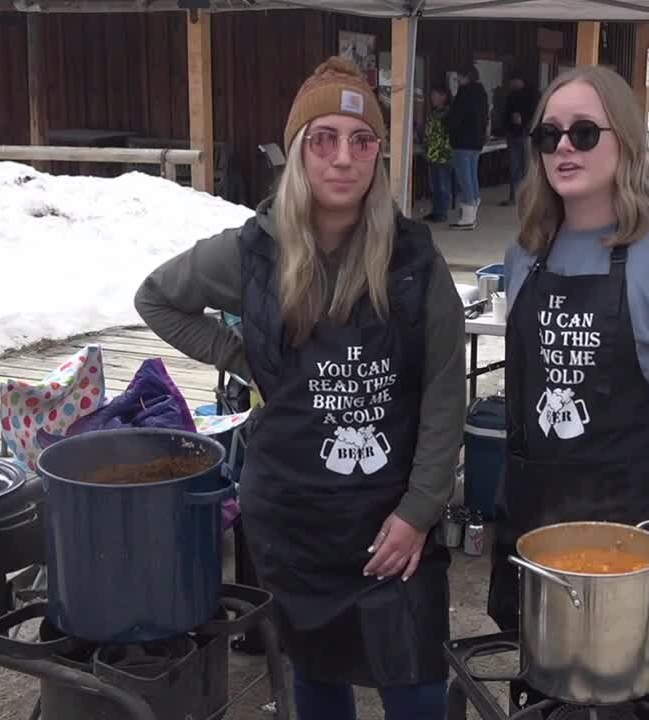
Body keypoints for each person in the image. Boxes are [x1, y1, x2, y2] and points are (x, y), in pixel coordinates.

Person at [134, 57, 465, 720]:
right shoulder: (252, 252)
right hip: (295, 520)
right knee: (317, 681)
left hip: (390, 518)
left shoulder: (415, 261)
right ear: (297, 153)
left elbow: (443, 397)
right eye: (323, 139)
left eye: (361, 139)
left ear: (377, 154)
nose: (343, 158)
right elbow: (158, 298)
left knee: (417, 685)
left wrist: (419, 512)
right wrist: (242, 354)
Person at [488, 65, 649, 715]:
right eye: (549, 135)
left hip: (637, 527)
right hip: (536, 519)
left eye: (584, 132)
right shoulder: (524, 252)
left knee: (634, 698)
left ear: (624, 141)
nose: (564, 147)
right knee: (544, 692)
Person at [446, 65, 490, 230]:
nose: (458, 82)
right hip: (477, 141)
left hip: (462, 141)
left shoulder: (464, 94)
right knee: (472, 176)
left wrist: (447, 121)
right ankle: (474, 205)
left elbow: (455, 116)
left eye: (459, 78)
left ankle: (467, 217)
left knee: (464, 178)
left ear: (466, 77)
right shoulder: (482, 93)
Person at [500, 74, 540, 207]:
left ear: (518, 80)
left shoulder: (533, 95)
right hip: (514, 134)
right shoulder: (512, 96)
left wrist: (524, 122)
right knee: (515, 168)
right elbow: (505, 114)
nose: (511, 84)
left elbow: (537, 115)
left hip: (526, 134)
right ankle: (516, 197)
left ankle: (526, 197)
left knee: (526, 168)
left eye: (512, 81)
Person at [423, 84, 453, 223]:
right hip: (432, 153)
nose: (432, 98)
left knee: (443, 184)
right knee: (434, 184)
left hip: (443, 154)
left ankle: (443, 212)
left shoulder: (448, 113)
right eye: (431, 96)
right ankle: (436, 210)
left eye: (435, 95)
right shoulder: (433, 113)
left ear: (443, 97)